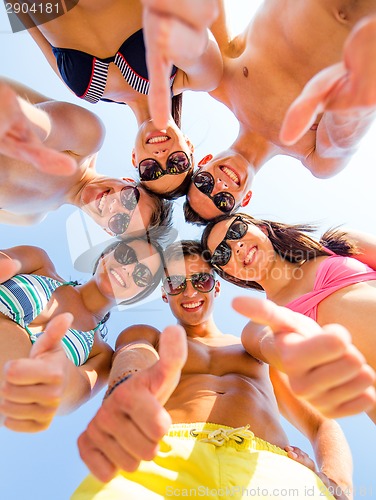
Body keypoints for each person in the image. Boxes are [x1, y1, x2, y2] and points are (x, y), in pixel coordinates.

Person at [71, 240, 369, 499]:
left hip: (267, 465)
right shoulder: (152, 337)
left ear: (217, 286)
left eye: (201, 280)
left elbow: (321, 424)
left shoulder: (251, 345)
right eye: (176, 283)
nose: (189, 292)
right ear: (165, 293)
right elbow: (134, 358)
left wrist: (338, 481)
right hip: (160, 453)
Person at [138, 0, 376, 222]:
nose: (219, 185)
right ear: (246, 199)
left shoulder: (220, 84)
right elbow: (351, 120)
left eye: (204, 183)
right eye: (223, 200)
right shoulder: (315, 157)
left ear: (205, 161)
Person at [16, 0, 222, 198]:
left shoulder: (89, 93)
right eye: (177, 163)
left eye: (151, 170)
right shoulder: (196, 77)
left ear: (135, 158)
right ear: (189, 146)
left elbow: (28, 21)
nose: (161, 155)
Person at [201, 213, 376, 421]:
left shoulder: (340, 242)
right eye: (222, 254)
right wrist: (298, 353)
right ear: (228, 274)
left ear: (262, 229)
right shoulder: (257, 326)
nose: (235, 247)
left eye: (236, 230)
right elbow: (272, 345)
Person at [0, 235, 164, 432]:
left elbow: (68, 399)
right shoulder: (38, 262)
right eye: (126, 255)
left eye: (142, 274)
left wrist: (58, 373)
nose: (128, 269)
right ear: (106, 254)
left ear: (139, 294)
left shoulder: (101, 355)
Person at [0, 78, 171, 235]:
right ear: (128, 180)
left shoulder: (29, 217)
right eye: (130, 199)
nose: (115, 207)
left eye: (121, 222)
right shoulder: (88, 137)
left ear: (108, 231)